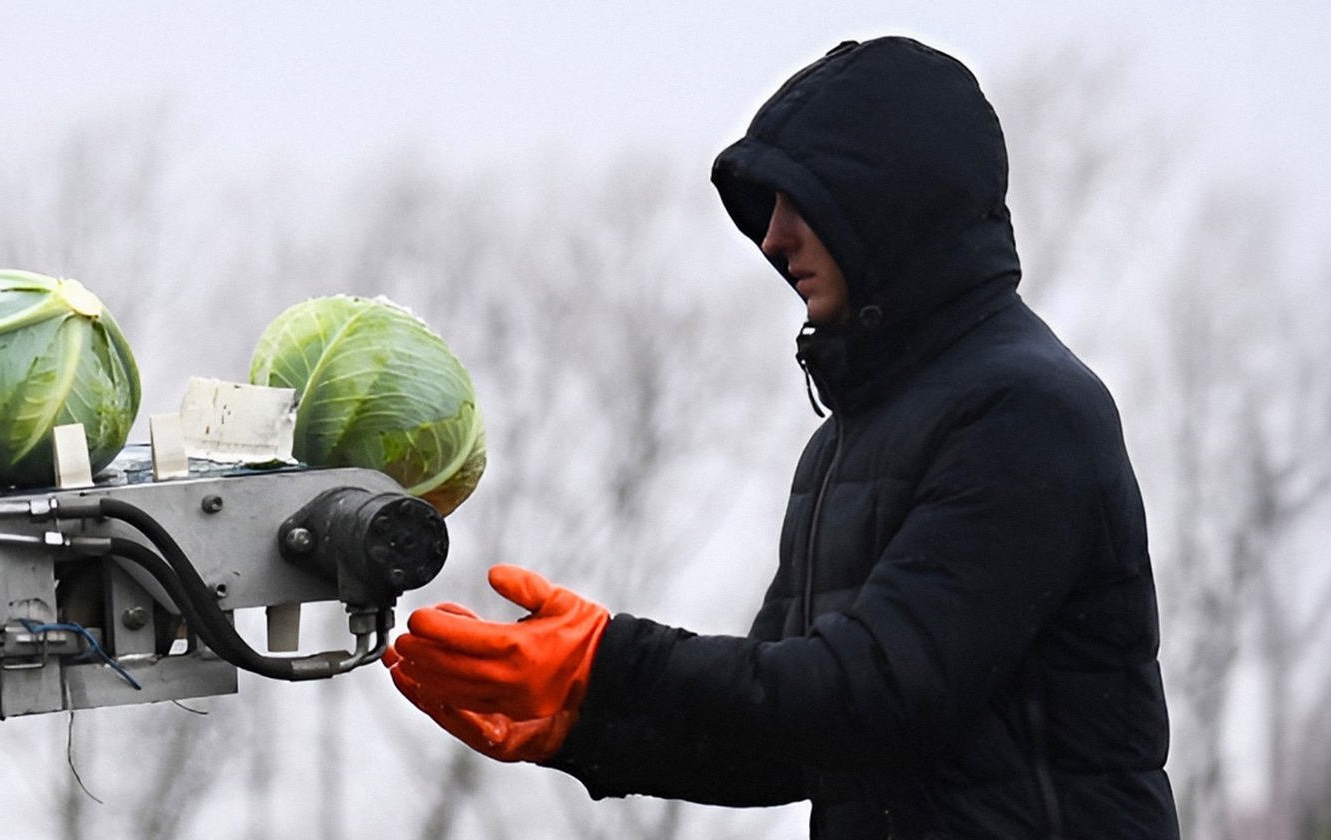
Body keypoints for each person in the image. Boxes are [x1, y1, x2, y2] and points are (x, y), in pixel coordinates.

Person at [382, 37, 1180, 838]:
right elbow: (787, 741)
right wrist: (578, 731)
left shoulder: (1028, 412)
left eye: (805, 202)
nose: (773, 236)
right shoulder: (839, 446)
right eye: (769, 207)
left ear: (894, 204)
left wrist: (608, 658)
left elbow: (877, 691)